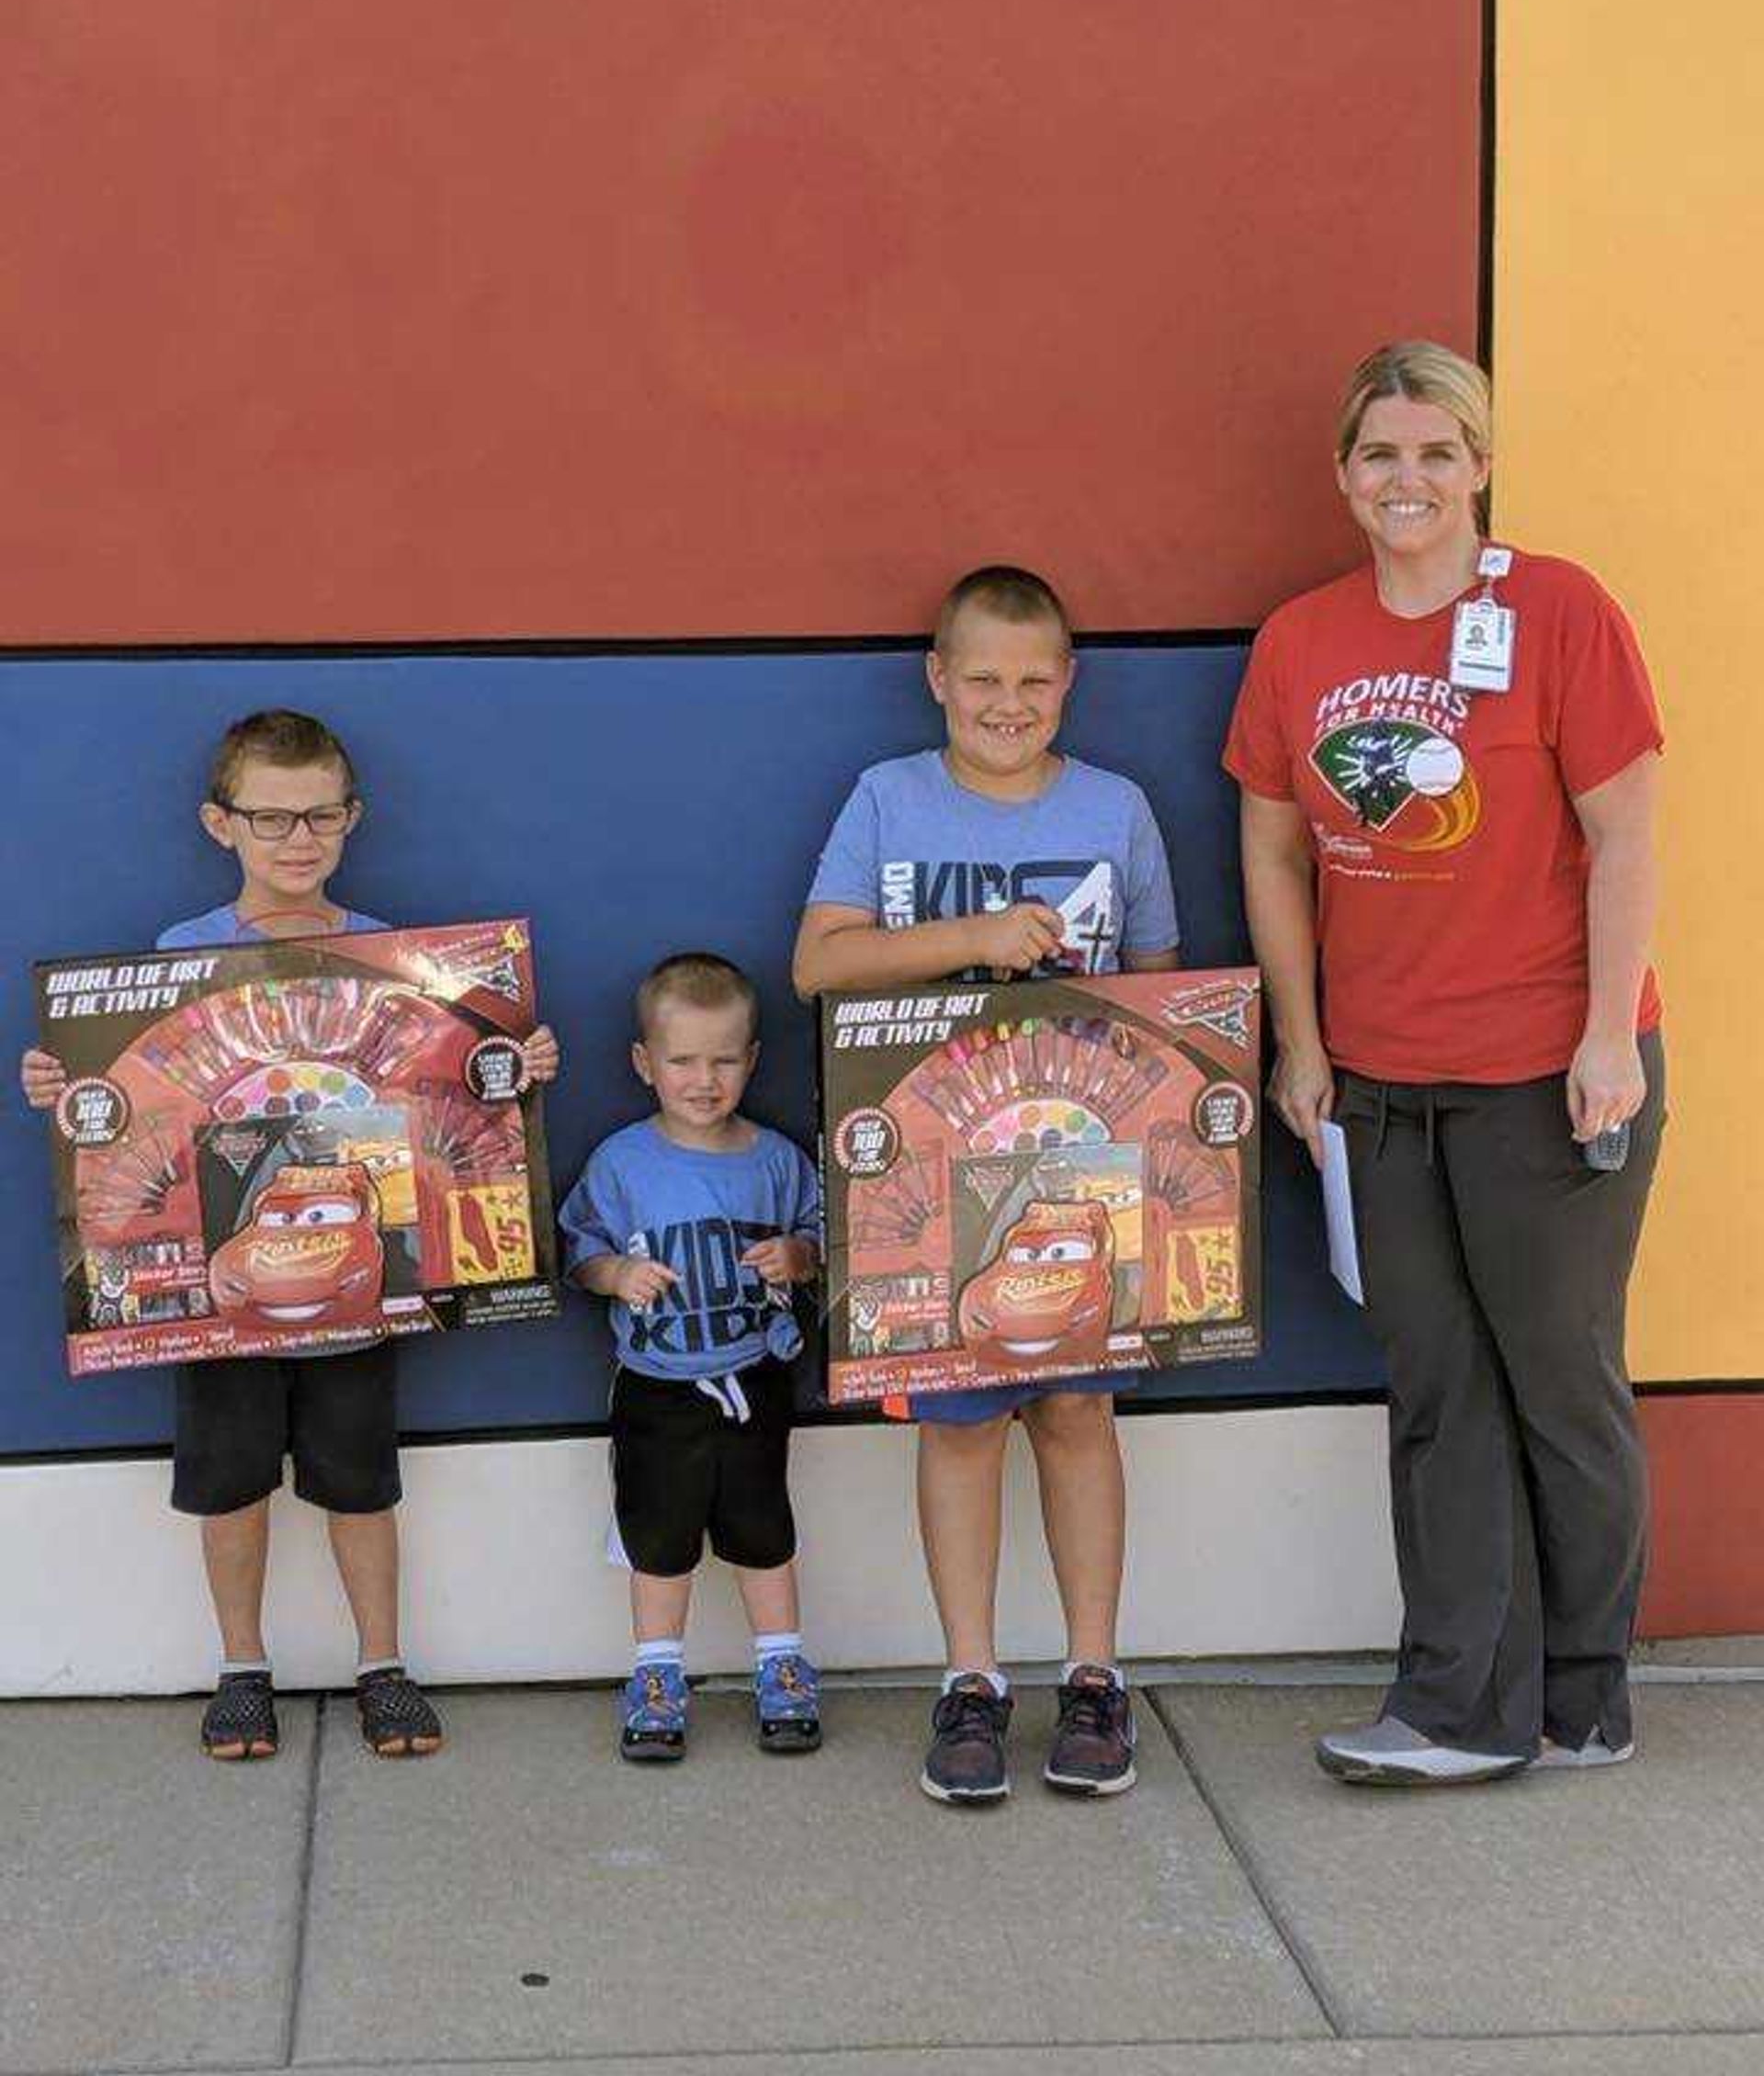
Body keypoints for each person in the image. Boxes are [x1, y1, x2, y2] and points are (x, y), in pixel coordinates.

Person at [1225, 341, 1665, 1785]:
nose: (1404, 480)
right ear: (1342, 475)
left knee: (1559, 1380)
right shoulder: (1303, 641)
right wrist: (1304, 1043)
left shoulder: (1559, 612)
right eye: (1378, 455)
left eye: (1434, 452)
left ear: (1479, 463)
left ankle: (1581, 1695)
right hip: (1381, 1080)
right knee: (1437, 1388)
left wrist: (1607, 1036)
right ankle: (1457, 1702)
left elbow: (1625, 834)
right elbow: (1276, 847)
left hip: (1548, 1070)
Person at [20, 708, 560, 1761]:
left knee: (360, 1477)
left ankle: (383, 1664)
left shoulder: (397, 963)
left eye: (320, 816)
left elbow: (458, 1093)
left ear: (352, 818)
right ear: (220, 824)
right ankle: (241, 1667)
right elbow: (127, 1106)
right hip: (218, 1297)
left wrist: (513, 1064)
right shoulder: (175, 958)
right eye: (271, 817)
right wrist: (63, 1083)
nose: (298, 838)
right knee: (230, 1482)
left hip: (359, 1278)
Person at [795, 564, 1180, 1803]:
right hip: (927, 1180)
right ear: (937, 680)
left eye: (1033, 679)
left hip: (1084, 1176)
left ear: (1067, 682)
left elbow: (1167, 1002)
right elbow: (818, 965)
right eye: (983, 678)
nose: (1007, 702)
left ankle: (1094, 1674)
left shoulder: (1118, 806)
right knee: (960, 1430)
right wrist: (973, 939)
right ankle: (969, 1679)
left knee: (1077, 1416)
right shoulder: (888, 797)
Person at [559, 952, 823, 1762]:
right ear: (645, 1064)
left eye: (722, 1061)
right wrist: (617, 1275)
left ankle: (781, 1662)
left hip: (754, 1375)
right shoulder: (622, 1161)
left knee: (762, 1525)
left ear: (752, 1062)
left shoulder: (776, 1159)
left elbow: (826, 1234)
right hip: (657, 1388)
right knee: (658, 1534)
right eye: (681, 1060)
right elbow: (579, 1253)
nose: (702, 1080)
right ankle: (656, 1672)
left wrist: (797, 1256)